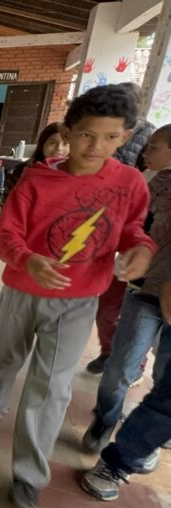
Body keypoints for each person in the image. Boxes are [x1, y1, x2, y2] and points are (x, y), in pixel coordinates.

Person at [0, 85, 155, 508]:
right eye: (87, 134)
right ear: (69, 132)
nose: (96, 146)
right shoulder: (37, 179)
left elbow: (132, 229)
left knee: (51, 386)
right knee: (6, 359)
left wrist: (141, 249)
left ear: (126, 137)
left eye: (110, 137)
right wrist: (27, 259)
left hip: (78, 300)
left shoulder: (128, 183)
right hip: (22, 290)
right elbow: (7, 233)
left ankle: (29, 474)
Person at [80, 125, 171, 466]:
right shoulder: (147, 183)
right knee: (120, 364)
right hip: (143, 289)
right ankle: (105, 420)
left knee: (165, 376)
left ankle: (153, 433)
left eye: (155, 146)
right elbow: (129, 227)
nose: (146, 151)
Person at [85, 82, 158, 374]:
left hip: (137, 246)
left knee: (135, 314)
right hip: (103, 223)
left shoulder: (138, 171)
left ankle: (133, 364)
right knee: (109, 306)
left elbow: (136, 223)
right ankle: (108, 351)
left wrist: (142, 246)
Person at [80, 324, 171, 502]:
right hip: (148, 306)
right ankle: (108, 426)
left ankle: (128, 455)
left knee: (165, 387)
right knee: (120, 369)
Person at [2, 123, 68, 208]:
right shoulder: (24, 170)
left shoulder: (73, 174)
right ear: (42, 144)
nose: (59, 148)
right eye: (53, 143)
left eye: (65, 144)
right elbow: (7, 203)